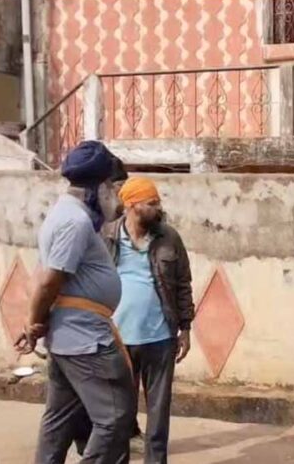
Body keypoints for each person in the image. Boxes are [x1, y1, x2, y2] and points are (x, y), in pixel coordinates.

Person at [15, 141, 136, 463]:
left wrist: (34, 322)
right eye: (114, 187)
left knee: (60, 418)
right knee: (116, 418)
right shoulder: (75, 222)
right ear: (100, 187)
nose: (117, 197)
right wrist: (32, 323)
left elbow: (44, 276)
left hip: (71, 336)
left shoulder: (65, 214)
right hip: (85, 338)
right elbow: (48, 280)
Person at [102, 177, 194, 463]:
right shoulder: (106, 236)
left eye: (158, 202)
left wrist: (185, 328)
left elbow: (183, 284)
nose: (158, 208)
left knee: (158, 414)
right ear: (131, 205)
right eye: (151, 203)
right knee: (120, 413)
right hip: (118, 339)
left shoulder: (169, 237)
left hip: (160, 338)